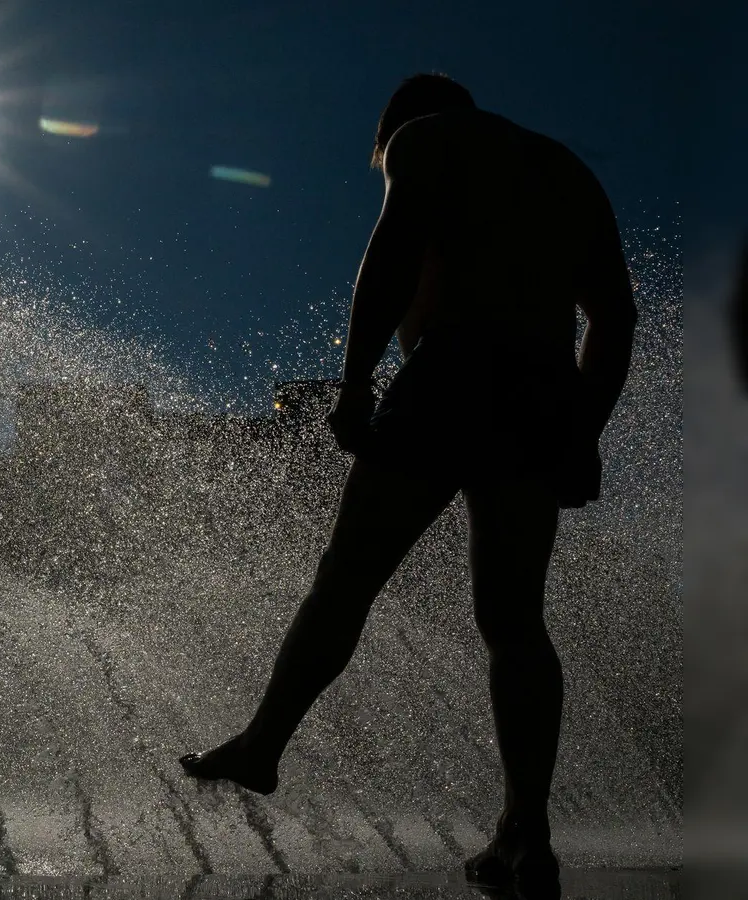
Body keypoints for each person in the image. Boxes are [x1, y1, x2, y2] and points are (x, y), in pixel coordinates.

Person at [178, 74, 636, 897]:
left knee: (348, 578)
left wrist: (356, 386)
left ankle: (263, 745)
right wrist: (583, 429)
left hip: (455, 373)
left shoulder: (428, 139)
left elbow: (393, 248)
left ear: (399, 124)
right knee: (514, 620)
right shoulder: (569, 169)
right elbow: (616, 317)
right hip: (543, 392)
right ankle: (525, 832)